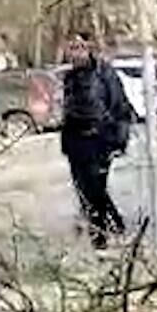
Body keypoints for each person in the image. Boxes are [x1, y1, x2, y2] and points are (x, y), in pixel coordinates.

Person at [59, 32, 135, 249]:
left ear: (90, 48)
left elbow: (120, 107)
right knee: (83, 189)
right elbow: (67, 110)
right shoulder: (70, 78)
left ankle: (101, 234)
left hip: (100, 138)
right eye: (72, 47)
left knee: (96, 188)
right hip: (76, 140)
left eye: (81, 47)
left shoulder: (105, 74)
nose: (76, 52)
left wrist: (119, 140)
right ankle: (108, 227)